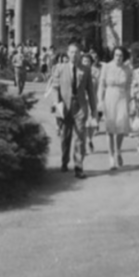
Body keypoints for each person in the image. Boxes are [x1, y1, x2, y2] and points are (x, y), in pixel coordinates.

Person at [48, 42, 97, 178]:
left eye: (76, 52)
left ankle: (78, 167)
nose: (73, 55)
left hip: (80, 106)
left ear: (80, 54)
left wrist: (93, 109)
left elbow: (90, 91)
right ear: (67, 53)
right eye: (71, 52)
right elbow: (55, 88)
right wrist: (57, 105)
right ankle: (64, 161)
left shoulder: (86, 69)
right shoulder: (59, 68)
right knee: (65, 136)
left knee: (80, 137)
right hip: (64, 106)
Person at [97, 47, 132, 170]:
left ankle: (118, 150)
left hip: (122, 97)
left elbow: (128, 86)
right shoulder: (106, 67)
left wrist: (129, 102)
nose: (118, 57)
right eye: (116, 55)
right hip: (109, 97)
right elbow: (101, 84)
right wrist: (100, 101)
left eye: (121, 55)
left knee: (121, 127)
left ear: (124, 57)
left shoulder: (127, 69)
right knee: (110, 129)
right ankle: (111, 157)